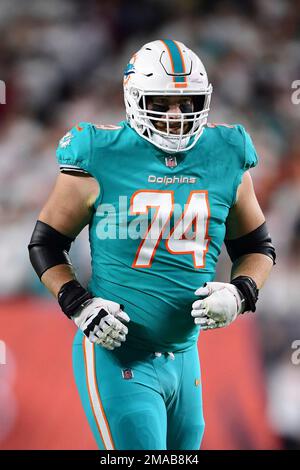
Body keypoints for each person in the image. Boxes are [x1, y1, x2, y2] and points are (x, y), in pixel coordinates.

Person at [28, 39, 276, 450]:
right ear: (134, 98)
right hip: (118, 354)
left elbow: (257, 247)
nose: (177, 116)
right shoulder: (98, 152)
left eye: (188, 102)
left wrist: (241, 291)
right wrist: (78, 302)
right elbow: (46, 244)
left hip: (184, 356)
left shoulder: (227, 153)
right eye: (162, 102)